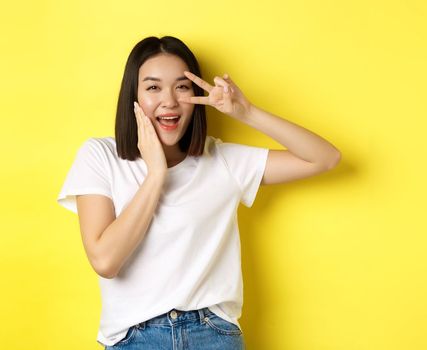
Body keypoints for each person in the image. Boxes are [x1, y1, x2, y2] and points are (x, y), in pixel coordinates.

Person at [57, 35, 341, 349]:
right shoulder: (100, 156)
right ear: (133, 97)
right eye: (153, 87)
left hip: (212, 334)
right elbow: (105, 260)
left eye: (182, 86)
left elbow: (325, 158)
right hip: (134, 338)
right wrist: (156, 175)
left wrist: (247, 113)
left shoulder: (221, 160)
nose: (169, 101)